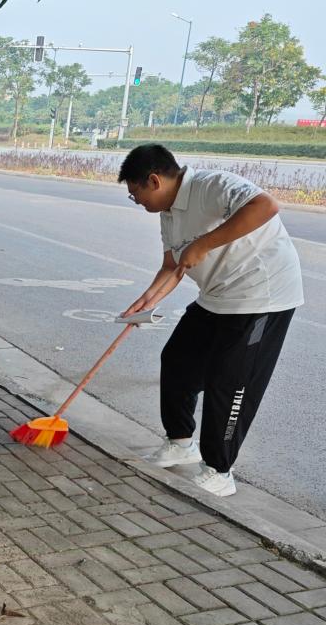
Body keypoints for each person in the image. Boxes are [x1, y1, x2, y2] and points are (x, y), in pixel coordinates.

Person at [119, 144, 303, 497]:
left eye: (135, 194)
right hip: (217, 296)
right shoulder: (168, 213)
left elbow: (265, 206)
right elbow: (172, 266)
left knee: (229, 383)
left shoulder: (213, 185)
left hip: (260, 296)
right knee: (177, 360)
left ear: (154, 181)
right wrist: (144, 302)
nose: (137, 201)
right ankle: (180, 443)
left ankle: (219, 470)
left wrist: (205, 243)